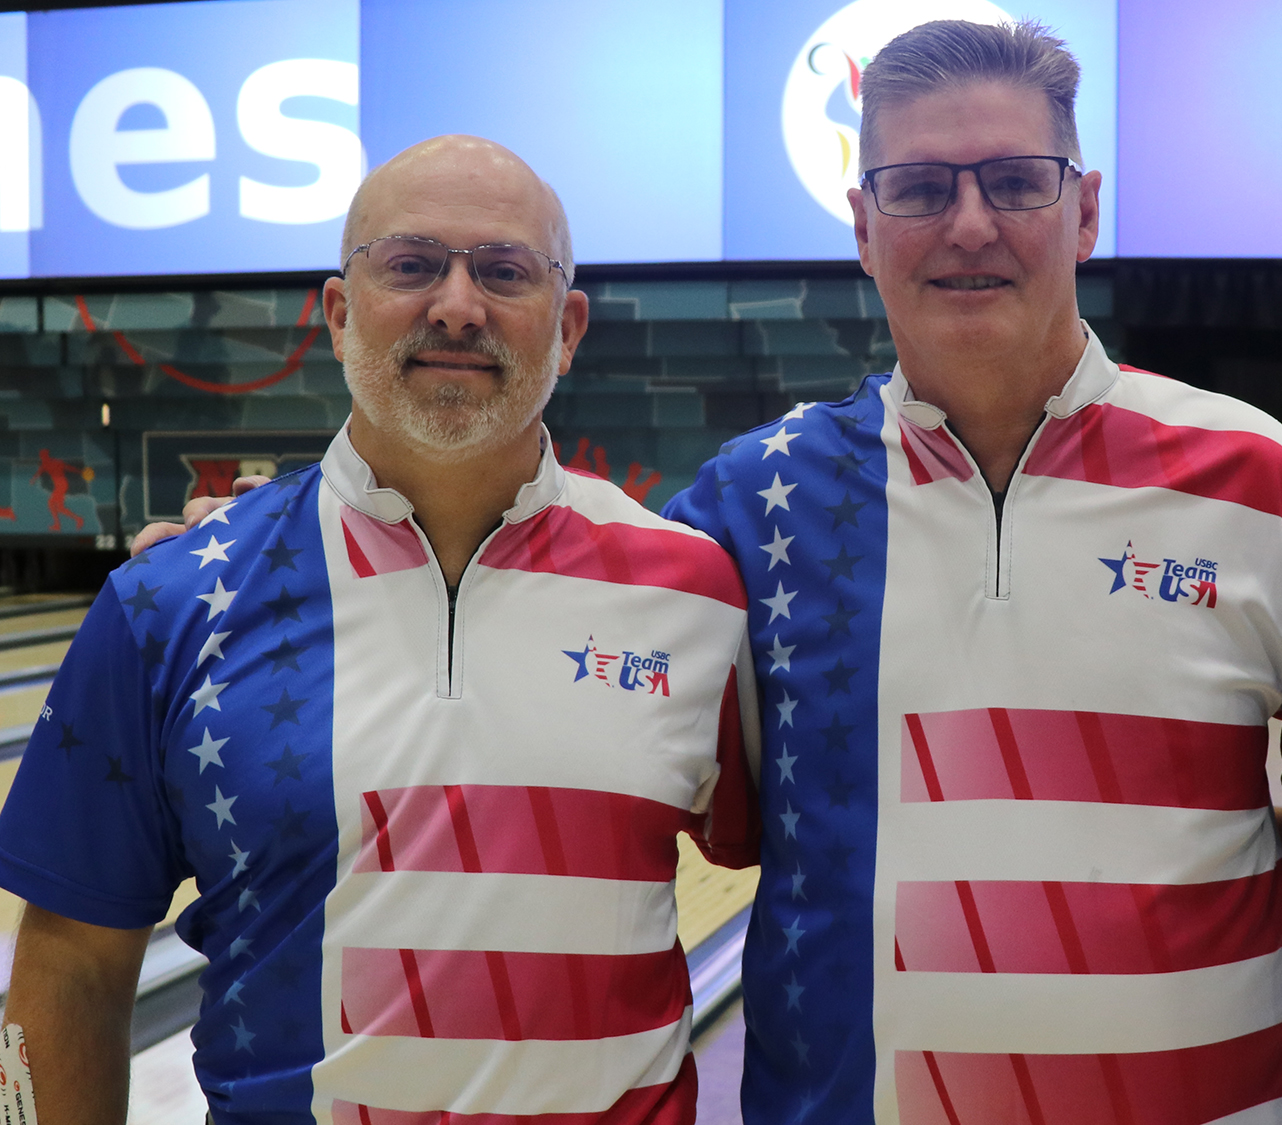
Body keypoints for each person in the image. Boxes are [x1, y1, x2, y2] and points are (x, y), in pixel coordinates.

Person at [659, 20, 1282, 1124]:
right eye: (920, 187)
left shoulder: (1261, 480)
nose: (969, 223)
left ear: (1082, 212)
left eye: (1016, 182)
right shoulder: (746, 512)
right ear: (861, 224)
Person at [1, 135, 756, 1125]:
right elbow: (71, 972)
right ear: (338, 312)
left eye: (503, 272)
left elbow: (810, 883)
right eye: (410, 264)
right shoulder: (170, 603)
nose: (456, 304)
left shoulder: (695, 591)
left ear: (567, 328)